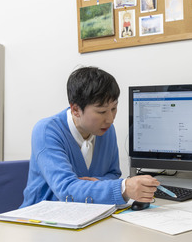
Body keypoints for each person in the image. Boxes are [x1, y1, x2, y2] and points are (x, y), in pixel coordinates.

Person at [21, 66, 159, 207]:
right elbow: (66, 190)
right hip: (41, 218)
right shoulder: (47, 131)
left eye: (114, 108)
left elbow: (113, 174)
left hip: (87, 214)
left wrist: (93, 183)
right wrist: (123, 187)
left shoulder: (106, 130)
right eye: (101, 111)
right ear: (76, 110)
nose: (110, 119)